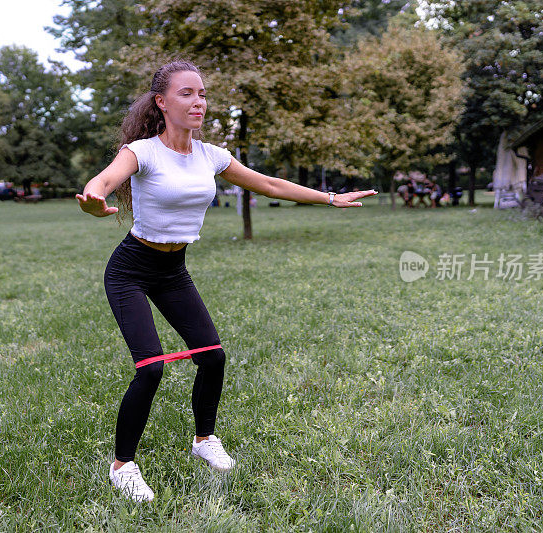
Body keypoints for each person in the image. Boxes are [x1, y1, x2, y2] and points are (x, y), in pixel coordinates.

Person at [75, 60, 377, 503]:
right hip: (131, 270)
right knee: (151, 366)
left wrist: (329, 198)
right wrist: (94, 198)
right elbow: (102, 180)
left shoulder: (211, 155)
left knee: (212, 357)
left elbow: (269, 185)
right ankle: (122, 466)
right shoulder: (142, 151)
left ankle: (203, 441)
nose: (197, 101)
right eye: (186, 93)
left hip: (173, 270)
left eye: (201, 94)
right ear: (161, 102)